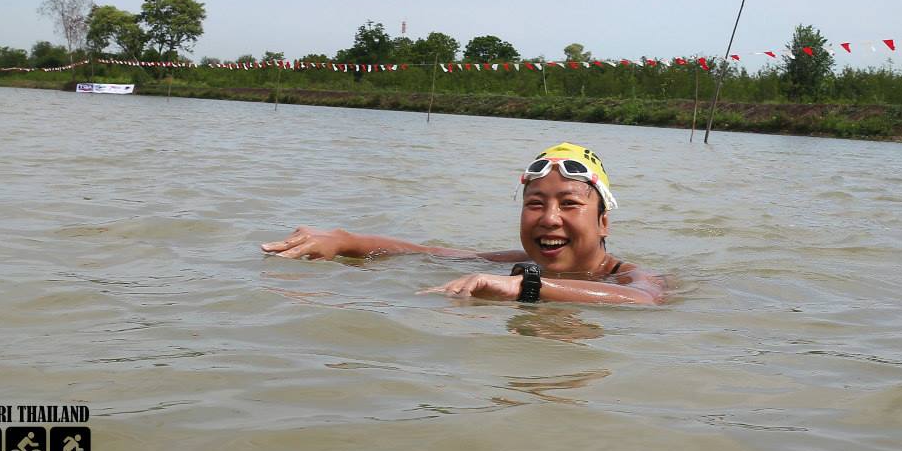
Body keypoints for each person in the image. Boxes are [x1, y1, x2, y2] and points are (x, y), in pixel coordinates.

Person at [262, 142, 665, 305]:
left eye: (569, 204)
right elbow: (429, 253)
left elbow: (644, 300)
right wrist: (344, 240)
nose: (549, 218)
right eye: (535, 204)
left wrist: (526, 286)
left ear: (603, 222)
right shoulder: (519, 261)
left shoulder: (628, 277)